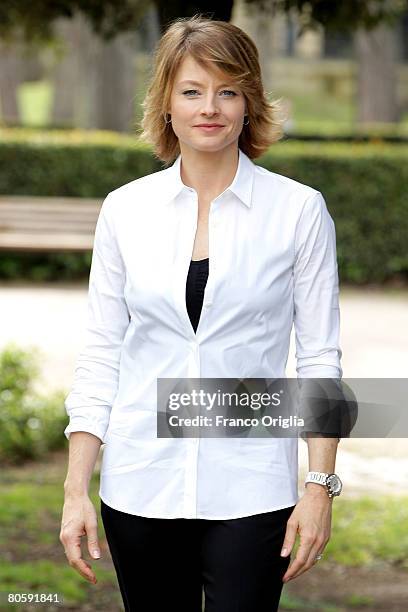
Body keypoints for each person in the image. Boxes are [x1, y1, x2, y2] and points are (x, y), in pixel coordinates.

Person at [60, 14, 343, 612]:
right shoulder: (125, 211)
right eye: (191, 91)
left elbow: (320, 356)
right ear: (166, 102)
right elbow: (101, 352)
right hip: (140, 482)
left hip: (252, 486)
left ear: (249, 102)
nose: (208, 107)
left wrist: (319, 486)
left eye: (227, 90)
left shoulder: (298, 211)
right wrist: (75, 487)